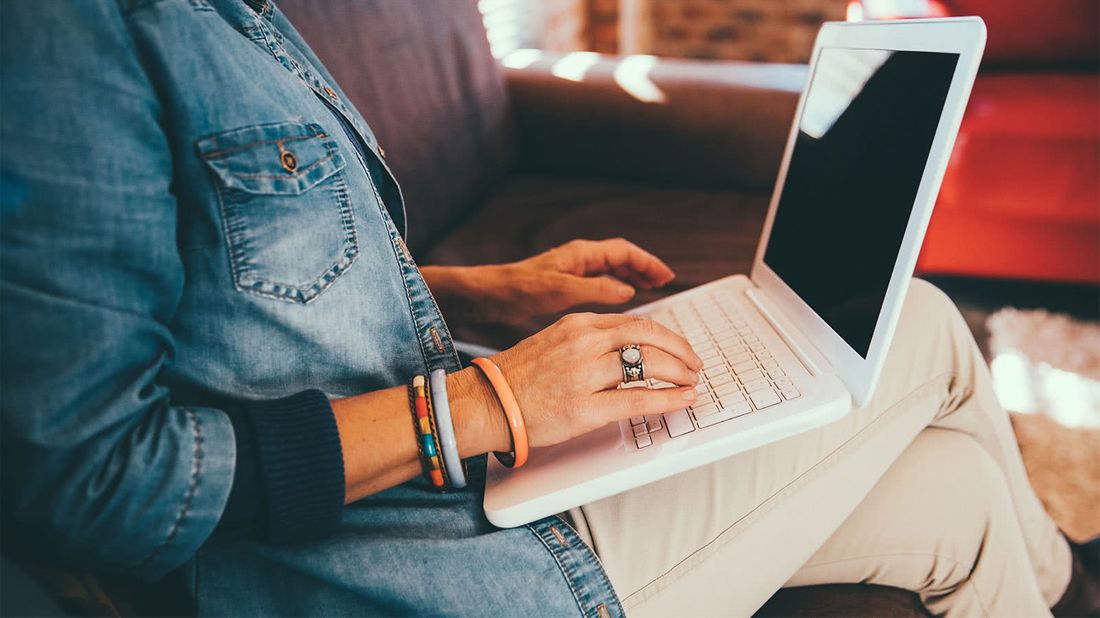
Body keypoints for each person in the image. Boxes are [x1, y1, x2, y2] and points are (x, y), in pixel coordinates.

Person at [0, 1, 1095, 616]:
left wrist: (486, 292)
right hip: (420, 571)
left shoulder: (224, 18)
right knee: (917, 326)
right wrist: (492, 399)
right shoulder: (61, 39)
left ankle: (1061, 585)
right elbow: (103, 486)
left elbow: (230, 298)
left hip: (462, 487)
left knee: (956, 493)